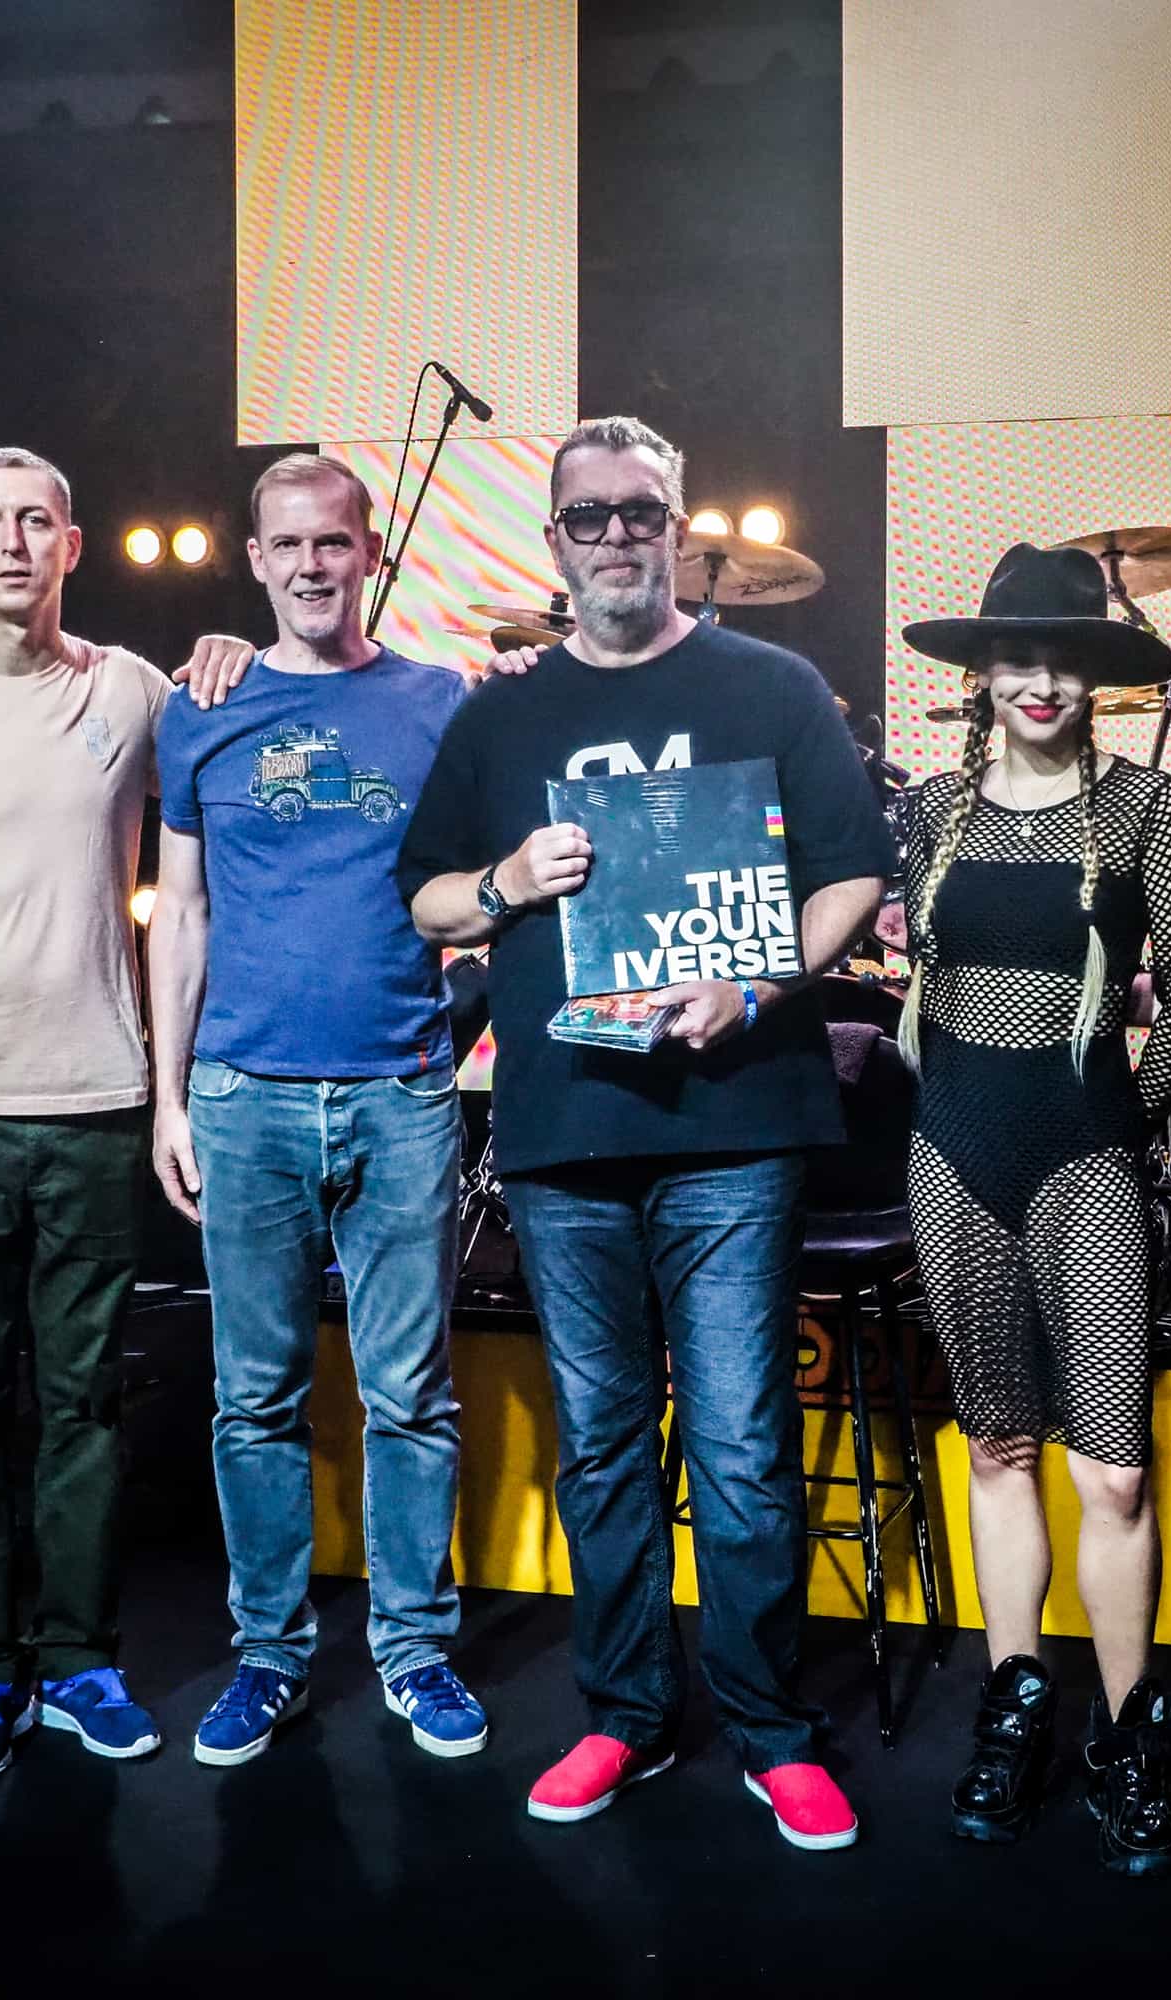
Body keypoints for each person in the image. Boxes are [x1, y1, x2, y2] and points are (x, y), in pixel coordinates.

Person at [394, 415, 892, 1851]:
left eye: (638, 512)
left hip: (736, 1125)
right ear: (553, 539)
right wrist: (504, 878)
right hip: (567, 1131)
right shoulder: (498, 714)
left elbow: (854, 873)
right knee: (604, 1446)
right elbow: (425, 896)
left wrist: (760, 981)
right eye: (588, 515)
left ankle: (769, 1728)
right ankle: (624, 1712)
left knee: (740, 1445)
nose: (614, 535)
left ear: (679, 529)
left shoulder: (769, 685)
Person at [0, 447, 251, 1781]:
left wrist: (230, 653)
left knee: (81, 1400)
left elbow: (228, 780)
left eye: (36, 521)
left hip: (94, 1096)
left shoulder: (130, 688)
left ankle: (78, 1656)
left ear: (72, 545)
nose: (12, 542)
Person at [145, 453, 484, 1766]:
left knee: (410, 1394)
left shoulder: (439, 703)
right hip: (243, 1095)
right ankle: (269, 1655)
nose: (308, 565)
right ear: (254, 559)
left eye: (330, 542)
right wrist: (169, 1098)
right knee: (253, 1400)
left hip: (401, 1091)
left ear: (368, 551)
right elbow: (179, 911)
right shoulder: (200, 705)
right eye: (284, 544)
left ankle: (415, 1649)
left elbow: (481, 885)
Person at [894, 543, 1171, 1873]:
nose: (1038, 681)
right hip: (952, 1150)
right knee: (997, 1450)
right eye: (1014, 658)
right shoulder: (930, 812)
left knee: (1115, 1470)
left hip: (1087, 1156)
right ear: (979, 673)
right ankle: (1015, 1707)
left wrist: (1122, 1120)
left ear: (1096, 678)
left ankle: (1129, 1733)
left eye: (1063, 660)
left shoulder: (1146, 806)